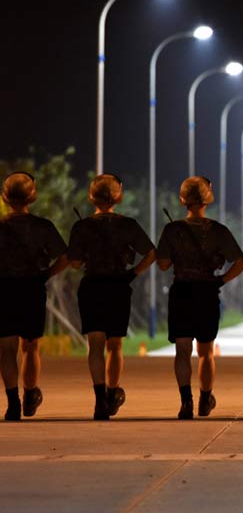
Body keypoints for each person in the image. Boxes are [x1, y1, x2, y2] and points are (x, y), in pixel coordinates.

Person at [156, 176, 243, 420]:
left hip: (182, 292)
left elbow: (163, 264)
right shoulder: (218, 231)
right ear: (208, 198)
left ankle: (186, 402)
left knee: (182, 352)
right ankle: (206, 399)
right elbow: (240, 262)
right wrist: (221, 280)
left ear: (183, 199)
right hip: (207, 292)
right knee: (205, 352)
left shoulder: (172, 230)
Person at [68, 174, 156, 420]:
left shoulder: (81, 226)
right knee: (115, 345)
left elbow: (74, 263)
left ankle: (99, 401)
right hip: (118, 286)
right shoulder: (127, 225)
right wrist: (133, 273)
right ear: (118, 196)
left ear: (91, 196)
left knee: (95, 345)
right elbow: (150, 253)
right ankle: (112, 392)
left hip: (92, 286)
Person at [0, 172, 68, 421]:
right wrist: (46, 274)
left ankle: (12, 403)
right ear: (33, 196)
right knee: (31, 347)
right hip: (32, 288)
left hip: (4, 289)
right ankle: (30, 395)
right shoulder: (43, 226)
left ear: (5, 197)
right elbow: (65, 257)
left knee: (6, 349)